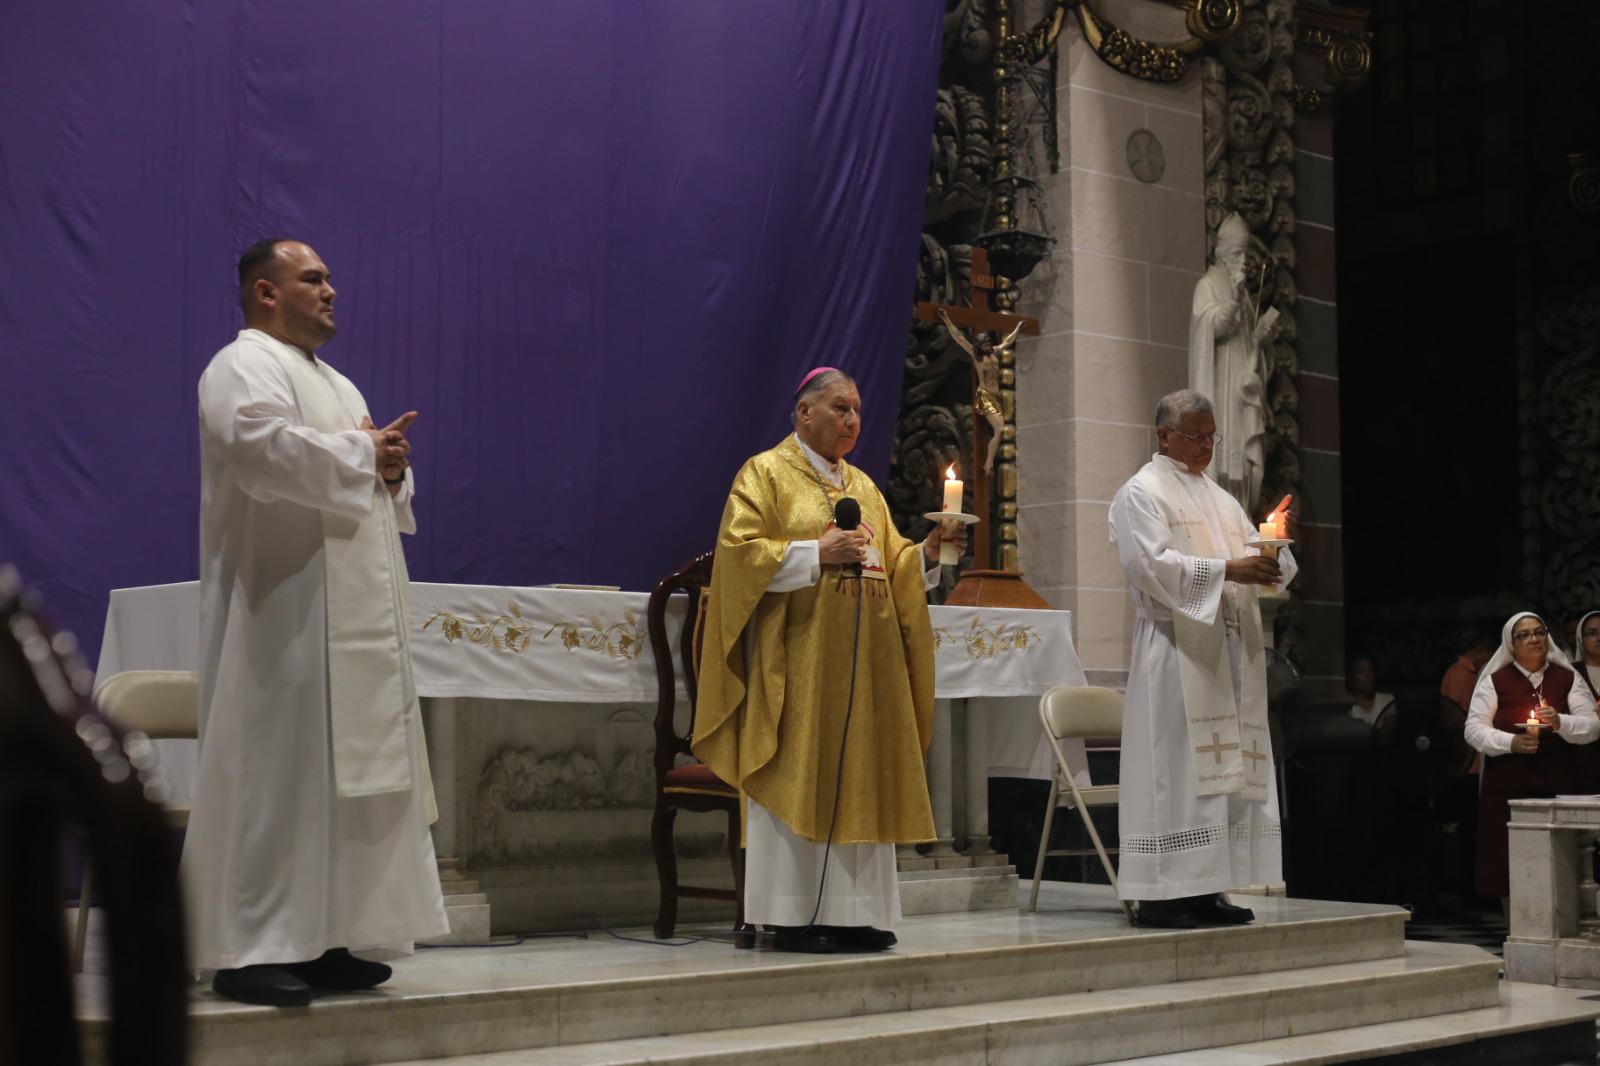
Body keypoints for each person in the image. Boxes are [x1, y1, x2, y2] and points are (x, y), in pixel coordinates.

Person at [182, 239, 447, 1006]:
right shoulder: (240, 366)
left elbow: (367, 471)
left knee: (336, 783)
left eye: (330, 277)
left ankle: (325, 935)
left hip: (349, 615)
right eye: (313, 278)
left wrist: (389, 467)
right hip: (282, 612)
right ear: (266, 292)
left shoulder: (336, 380)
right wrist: (365, 453)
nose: (331, 290)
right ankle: (247, 945)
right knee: (275, 775)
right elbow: (258, 451)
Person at [692, 368, 964, 954]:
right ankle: (793, 915)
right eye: (840, 408)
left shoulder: (864, 487)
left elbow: (891, 564)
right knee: (800, 769)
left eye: (858, 410)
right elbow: (736, 559)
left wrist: (930, 556)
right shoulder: (764, 474)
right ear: (803, 413)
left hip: (866, 670)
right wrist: (816, 551)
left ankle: (857, 913)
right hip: (796, 663)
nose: (852, 420)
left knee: (863, 776)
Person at [1108, 388, 1296, 928]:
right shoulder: (1140, 493)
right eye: (1195, 435)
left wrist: (1269, 550)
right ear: (1163, 434)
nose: (1206, 446)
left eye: (1211, 436)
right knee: (1176, 771)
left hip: (1227, 650)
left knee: (1219, 776)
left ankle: (1209, 887)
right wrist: (1230, 571)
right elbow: (1152, 566)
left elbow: (1248, 559)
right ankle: (1164, 893)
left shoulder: (1220, 497)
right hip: (1175, 649)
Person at [1464, 611, 1599, 905]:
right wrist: (1511, 742)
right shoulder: (1496, 681)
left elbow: (1591, 727)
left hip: (1558, 782)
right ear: (1511, 643)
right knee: (1508, 863)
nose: (1533, 639)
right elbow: (1473, 730)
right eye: (1523, 635)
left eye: (1538, 632)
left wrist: (1561, 721)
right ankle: (1516, 927)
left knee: (1562, 861)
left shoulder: (1566, 677)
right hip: (1508, 786)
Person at [1188, 214, 1280, 513]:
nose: (1243, 261)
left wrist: (1260, 338)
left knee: (1243, 463)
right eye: (1238, 254)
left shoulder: (1245, 294)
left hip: (1239, 390)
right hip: (1221, 387)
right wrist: (1233, 301)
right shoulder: (1208, 285)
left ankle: (1240, 518)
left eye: (1245, 254)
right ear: (1224, 255)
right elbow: (1211, 327)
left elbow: (1248, 346)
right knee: (1222, 463)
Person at [1346, 653, 1397, 739]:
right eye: (1361, 672)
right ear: (1351, 678)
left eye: (1370, 670)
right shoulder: (1348, 711)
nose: (1368, 676)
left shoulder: (1389, 700)